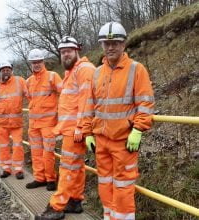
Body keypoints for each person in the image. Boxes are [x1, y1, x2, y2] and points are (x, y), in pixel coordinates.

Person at [84, 22, 155, 220]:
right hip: (101, 141)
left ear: (124, 44)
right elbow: (90, 106)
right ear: (102, 46)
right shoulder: (97, 73)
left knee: (123, 187)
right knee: (105, 183)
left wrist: (138, 129)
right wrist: (88, 132)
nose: (111, 47)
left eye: (115, 42)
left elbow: (145, 103)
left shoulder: (136, 69)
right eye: (106, 43)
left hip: (124, 141)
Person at [35, 36, 96, 220]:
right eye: (62, 52)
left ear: (77, 50)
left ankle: (56, 206)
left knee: (68, 167)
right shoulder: (73, 71)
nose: (65, 54)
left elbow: (87, 101)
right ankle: (75, 201)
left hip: (76, 129)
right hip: (72, 129)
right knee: (75, 167)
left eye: (69, 50)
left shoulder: (84, 69)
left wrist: (81, 127)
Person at [26, 48, 62, 191]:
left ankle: (51, 179)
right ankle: (39, 178)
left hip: (48, 124)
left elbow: (64, 93)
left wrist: (60, 113)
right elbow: (31, 99)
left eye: (39, 61)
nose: (36, 64)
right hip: (33, 124)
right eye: (34, 62)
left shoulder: (52, 76)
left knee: (48, 153)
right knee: (36, 152)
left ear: (43, 61)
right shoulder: (29, 81)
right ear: (31, 64)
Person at [0, 62, 28, 180]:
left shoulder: (19, 81)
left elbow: (29, 94)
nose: (5, 71)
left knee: (17, 146)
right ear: (0, 72)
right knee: (3, 147)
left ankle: (18, 170)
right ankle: (6, 169)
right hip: (2, 123)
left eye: (8, 69)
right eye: (3, 70)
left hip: (16, 123)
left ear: (12, 71)